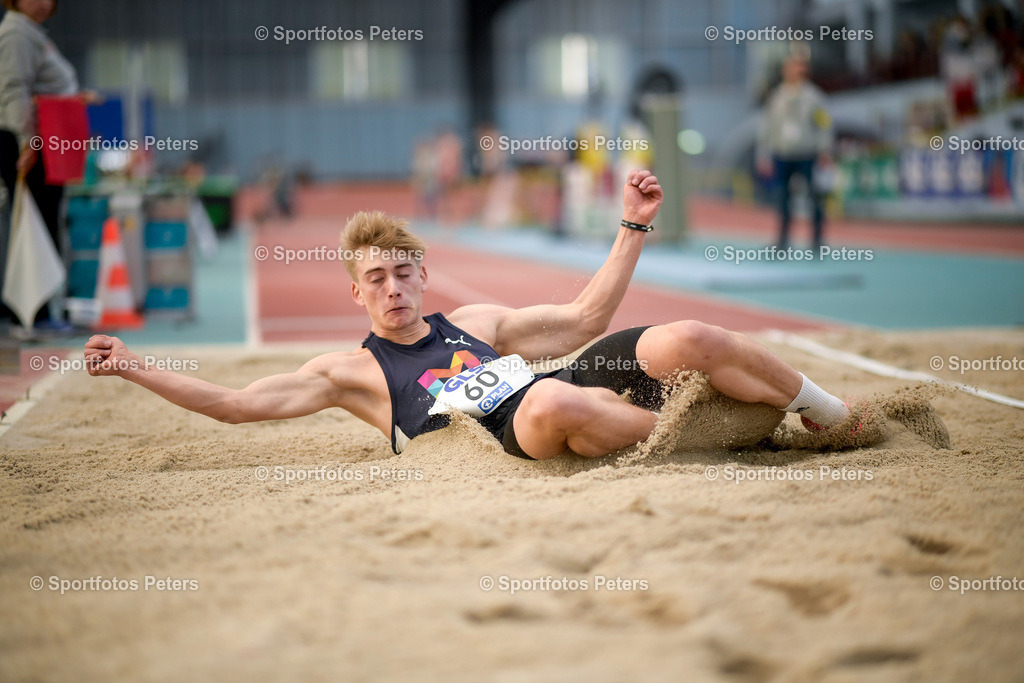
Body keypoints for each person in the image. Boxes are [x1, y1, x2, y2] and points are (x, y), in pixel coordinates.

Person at [85, 170, 854, 460]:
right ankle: (722, 437)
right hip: (506, 434)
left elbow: (587, 317)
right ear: (357, 293)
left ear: (422, 276)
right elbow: (234, 405)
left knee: (690, 334)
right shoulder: (349, 374)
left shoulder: (478, 320)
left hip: (565, 390)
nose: (391, 288)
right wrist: (132, 364)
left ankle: (830, 414)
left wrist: (633, 223)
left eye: (401, 273)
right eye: (375, 279)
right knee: (551, 397)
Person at [0, 0, 82, 332]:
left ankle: (39, 311)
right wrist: (27, 142)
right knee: (33, 226)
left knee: (44, 222)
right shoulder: (16, 35)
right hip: (29, 143)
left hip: (45, 141)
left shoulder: (33, 34)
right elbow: (13, 91)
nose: (44, 1)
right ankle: (32, 314)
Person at [756, 55, 834, 253]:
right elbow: (766, 128)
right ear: (786, 70)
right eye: (793, 68)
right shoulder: (776, 97)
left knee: (814, 198)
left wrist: (825, 149)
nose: (797, 72)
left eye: (801, 69)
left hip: (807, 154)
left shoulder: (814, 97)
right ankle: (782, 241)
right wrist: (763, 155)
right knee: (782, 199)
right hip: (782, 154)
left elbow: (824, 124)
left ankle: (817, 241)